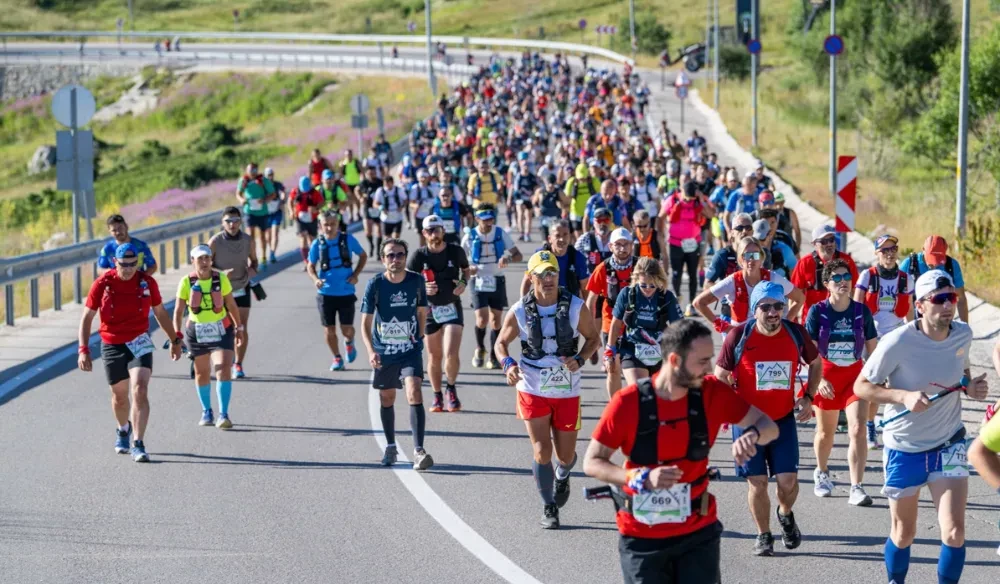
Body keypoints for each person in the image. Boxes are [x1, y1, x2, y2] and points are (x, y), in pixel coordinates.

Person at [583, 319, 780, 583]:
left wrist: (752, 435)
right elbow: (592, 462)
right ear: (675, 360)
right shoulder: (628, 403)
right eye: (702, 361)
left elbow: (769, 427)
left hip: (697, 533)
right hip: (642, 536)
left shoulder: (713, 393)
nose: (709, 368)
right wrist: (638, 478)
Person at [854, 269, 990, 584]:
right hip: (905, 448)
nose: (948, 305)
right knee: (904, 533)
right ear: (920, 305)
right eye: (939, 299)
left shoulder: (963, 334)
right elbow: (862, 386)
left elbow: (962, 372)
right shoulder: (897, 341)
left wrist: (970, 387)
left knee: (954, 532)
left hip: (949, 443)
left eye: (951, 297)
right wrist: (901, 395)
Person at [495, 250, 601, 529]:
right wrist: (508, 364)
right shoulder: (519, 310)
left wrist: (579, 359)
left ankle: (563, 473)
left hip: (567, 389)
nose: (548, 279)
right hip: (531, 385)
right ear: (530, 278)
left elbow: (593, 339)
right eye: (541, 274)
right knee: (542, 451)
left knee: (564, 456)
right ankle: (549, 506)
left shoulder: (576, 306)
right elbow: (500, 343)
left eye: (552, 272)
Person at [715, 281, 821, 556]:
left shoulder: (795, 333)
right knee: (758, 482)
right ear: (755, 310)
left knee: (788, 484)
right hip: (748, 423)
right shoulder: (738, 336)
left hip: (782, 420)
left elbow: (816, 363)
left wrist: (808, 396)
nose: (774, 312)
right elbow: (720, 376)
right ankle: (764, 535)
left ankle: (785, 514)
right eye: (766, 307)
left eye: (778, 306)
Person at [78, 243, 181, 462]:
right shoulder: (103, 284)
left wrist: (174, 339)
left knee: (140, 389)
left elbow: (160, 312)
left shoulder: (147, 282)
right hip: (112, 342)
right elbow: (87, 317)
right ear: (115, 262)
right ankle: (123, 429)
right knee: (119, 397)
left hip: (139, 340)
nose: (128, 269)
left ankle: (138, 442)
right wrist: (83, 350)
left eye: (133, 264)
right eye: (124, 264)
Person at [803, 259, 878, 506]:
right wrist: (819, 379)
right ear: (827, 284)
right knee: (826, 433)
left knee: (857, 429)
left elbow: (873, 351)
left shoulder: (861, 311)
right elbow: (809, 353)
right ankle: (822, 473)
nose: (843, 282)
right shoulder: (817, 311)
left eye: (846, 277)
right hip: (826, 377)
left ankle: (856, 486)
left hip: (855, 378)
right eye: (836, 278)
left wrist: (876, 377)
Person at [360, 238, 434, 471]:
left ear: (405, 257)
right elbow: (366, 322)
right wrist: (371, 351)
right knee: (387, 398)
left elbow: (422, 310)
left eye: (400, 255)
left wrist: (419, 337)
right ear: (383, 259)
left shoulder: (416, 281)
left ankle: (419, 451)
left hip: (409, 349)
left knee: (414, 391)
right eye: (390, 255)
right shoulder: (375, 284)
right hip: (384, 352)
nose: (396, 259)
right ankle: (391, 445)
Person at [173, 244, 244, 430]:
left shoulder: (220, 279)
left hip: (221, 330)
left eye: (207, 258)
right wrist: (176, 334)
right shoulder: (186, 282)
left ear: (211, 260)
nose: (204, 262)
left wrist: (239, 327)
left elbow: (231, 304)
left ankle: (224, 414)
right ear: (193, 261)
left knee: (223, 368)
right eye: (200, 259)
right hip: (196, 332)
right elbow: (179, 311)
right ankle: (206, 410)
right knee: (202, 372)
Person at [853, 234, 913, 451]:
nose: (889, 254)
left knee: (898, 383)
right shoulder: (867, 276)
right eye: (884, 250)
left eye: (893, 249)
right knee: (875, 384)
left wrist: (915, 338)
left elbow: (911, 314)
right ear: (876, 253)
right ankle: (868, 424)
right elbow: (857, 308)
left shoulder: (906, 279)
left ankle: (893, 425)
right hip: (872, 337)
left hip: (895, 338)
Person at [408, 215, 470, 412]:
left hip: (452, 306)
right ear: (424, 233)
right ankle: (436, 395)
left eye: (437, 229)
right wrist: (423, 288)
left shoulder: (455, 250)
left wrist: (462, 283)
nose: (434, 233)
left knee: (451, 352)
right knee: (434, 356)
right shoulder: (419, 256)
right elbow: (408, 281)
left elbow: (466, 270)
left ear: (443, 230)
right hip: (430, 310)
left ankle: (451, 388)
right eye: (429, 230)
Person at [693, 237, 803, 329]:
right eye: (746, 256)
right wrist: (724, 327)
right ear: (740, 260)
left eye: (755, 255)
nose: (751, 260)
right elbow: (699, 303)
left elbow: (800, 298)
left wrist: (784, 324)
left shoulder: (772, 278)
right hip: (741, 340)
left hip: (767, 337)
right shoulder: (732, 281)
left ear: (761, 258)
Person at [462, 203, 522, 368]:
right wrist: (469, 268)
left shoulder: (500, 233)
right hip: (478, 280)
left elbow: (518, 255)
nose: (489, 223)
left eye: (491, 219)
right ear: (477, 219)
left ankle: (494, 355)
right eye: (485, 220)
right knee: (482, 319)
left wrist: (507, 259)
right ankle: (480, 348)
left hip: (496, 279)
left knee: (496, 321)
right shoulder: (470, 237)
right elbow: (460, 261)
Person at [606, 257, 682, 387]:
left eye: (652, 285)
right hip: (632, 350)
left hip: (661, 351)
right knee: (640, 389)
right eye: (643, 285)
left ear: (660, 281)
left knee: (659, 396)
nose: (647, 289)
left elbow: (679, 327)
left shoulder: (667, 296)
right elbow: (616, 323)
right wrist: (610, 351)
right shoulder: (627, 294)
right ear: (636, 280)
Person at [308, 210, 367, 371]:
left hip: (346, 292)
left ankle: (349, 342)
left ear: (338, 224)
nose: (329, 228)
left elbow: (363, 255)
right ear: (320, 225)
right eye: (326, 225)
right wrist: (316, 280)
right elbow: (310, 265)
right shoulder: (317, 244)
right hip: (325, 293)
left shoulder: (348, 239)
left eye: (332, 224)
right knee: (329, 329)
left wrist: (355, 275)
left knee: (347, 329)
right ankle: (337, 358)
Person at [208, 207, 257, 380]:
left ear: (241, 221)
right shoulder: (215, 241)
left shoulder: (248, 240)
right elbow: (203, 266)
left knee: (240, 326)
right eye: (228, 221)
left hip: (242, 287)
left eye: (236, 220)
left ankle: (238, 364)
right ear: (222, 223)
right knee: (222, 327)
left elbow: (255, 261)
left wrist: (253, 270)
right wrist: (220, 275)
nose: (232, 224)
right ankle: (220, 361)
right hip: (220, 290)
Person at [586, 227, 636, 396]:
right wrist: (591, 332)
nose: (622, 249)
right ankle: (615, 406)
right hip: (610, 327)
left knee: (635, 369)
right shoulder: (603, 268)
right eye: (618, 245)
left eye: (626, 244)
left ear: (632, 246)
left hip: (637, 326)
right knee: (613, 368)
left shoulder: (641, 266)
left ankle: (635, 406)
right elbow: (591, 301)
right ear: (610, 246)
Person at [790, 224, 858, 324]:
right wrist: (793, 323)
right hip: (813, 322)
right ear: (814, 244)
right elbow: (794, 295)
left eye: (831, 239)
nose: (829, 244)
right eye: (824, 241)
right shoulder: (804, 263)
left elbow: (854, 291)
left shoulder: (847, 261)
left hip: (841, 322)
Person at [662, 180, 713, 305]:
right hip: (675, 243)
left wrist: (701, 200)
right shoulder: (672, 200)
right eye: (688, 196)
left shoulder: (697, 201)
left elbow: (711, 215)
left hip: (692, 244)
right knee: (676, 274)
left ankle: (692, 302)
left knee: (692, 274)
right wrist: (661, 233)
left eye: (692, 196)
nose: (689, 199)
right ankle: (677, 295)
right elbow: (661, 216)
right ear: (682, 191)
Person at [899, 235, 969, 323]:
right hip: (913, 314)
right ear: (923, 249)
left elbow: (961, 298)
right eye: (931, 261)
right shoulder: (908, 265)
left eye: (939, 261)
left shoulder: (952, 265)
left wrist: (965, 326)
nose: (935, 265)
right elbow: (898, 296)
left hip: (941, 315)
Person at [519, 218, 589, 299]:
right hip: (544, 303)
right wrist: (524, 304)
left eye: (565, 234)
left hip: (570, 304)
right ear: (550, 239)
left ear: (570, 236)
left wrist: (586, 309)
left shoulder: (577, 257)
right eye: (557, 235)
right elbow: (526, 282)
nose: (562, 239)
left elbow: (584, 288)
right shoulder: (539, 256)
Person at [236, 162, 276, 270]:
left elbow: (273, 194)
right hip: (249, 211)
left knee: (262, 236)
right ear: (247, 170)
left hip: (262, 212)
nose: (252, 173)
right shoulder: (243, 181)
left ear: (257, 170)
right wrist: (242, 200)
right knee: (250, 237)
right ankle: (253, 260)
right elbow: (238, 193)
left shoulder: (263, 180)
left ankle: (263, 257)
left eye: (254, 170)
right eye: (250, 170)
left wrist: (264, 200)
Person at [705, 213, 752, 286]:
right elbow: (707, 284)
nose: (744, 231)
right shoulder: (722, 256)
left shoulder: (760, 253)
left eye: (748, 228)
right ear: (732, 232)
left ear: (753, 232)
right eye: (739, 228)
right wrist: (725, 293)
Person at [289, 175, 324, 270]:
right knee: (302, 238)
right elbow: (290, 200)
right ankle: (306, 262)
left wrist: (316, 208)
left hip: (312, 218)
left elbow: (322, 203)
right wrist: (291, 211)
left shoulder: (314, 193)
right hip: (300, 219)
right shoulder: (295, 191)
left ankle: (313, 260)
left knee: (312, 240)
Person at [565, 161, 601, 236]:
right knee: (578, 236)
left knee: (590, 235)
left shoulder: (594, 181)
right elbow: (567, 197)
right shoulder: (571, 181)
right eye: (580, 178)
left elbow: (600, 194)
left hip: (590, 212)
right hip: (576, 212)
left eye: (583, 177)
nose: (582, 179)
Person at [373, 175, 409, 247]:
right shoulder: (380, 191)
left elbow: (406, 200)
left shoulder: (399, 190)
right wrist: (381, 208)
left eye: (388, 184)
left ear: (392, 183)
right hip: (386, 218)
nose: (386, 186)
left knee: (396, 238)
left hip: (397, 217)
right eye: (385, 184)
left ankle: (395, 253)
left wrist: (401, 207)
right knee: (387, 240)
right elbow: (375, 203)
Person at [356, 165, 384, 255]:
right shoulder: (364, 183)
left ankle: (378, 250)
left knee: (379, 231)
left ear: (375, 173)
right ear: (366, 174)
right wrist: (360, 197)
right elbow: (356, 190)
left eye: (373, 173)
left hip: (377, 207)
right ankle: (371, 245)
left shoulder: (380, 182)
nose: (371, 175)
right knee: (368, 231)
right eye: (369, 174)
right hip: (367, 207)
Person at [409, 169, 439, 246]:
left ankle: (431, 252)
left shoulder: (434, 186)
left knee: (432, 235)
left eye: (425, 177)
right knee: (422, 236)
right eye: (421, 177)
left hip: (431, 215)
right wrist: (417, 205)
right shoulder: (415, 188)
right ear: (418, 178)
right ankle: (423, 253)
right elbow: (411, 203)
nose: (423, 179)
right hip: (420, 215)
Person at [263, 168, 285, 266]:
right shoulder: (263, 186)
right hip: (267, 213)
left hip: (276, 211)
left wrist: (282, 200)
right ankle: (271, 249)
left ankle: (272, 253)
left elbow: (283, 192)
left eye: (271, 174)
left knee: (275, 232)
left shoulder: (277, 184)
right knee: (268, 236)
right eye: (268, 175)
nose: (270, 177)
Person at [340, 149, 364, 222]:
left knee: (357, 199)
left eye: (350, 154)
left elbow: (362, 171)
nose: (349, 156)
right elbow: (341, 174)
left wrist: (362, 180)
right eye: (347, 155)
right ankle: (351, 215)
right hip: (348, 185)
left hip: (356, 183)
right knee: (350, 200)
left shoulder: (356, 162)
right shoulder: (343, 164)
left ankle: (358, 212)